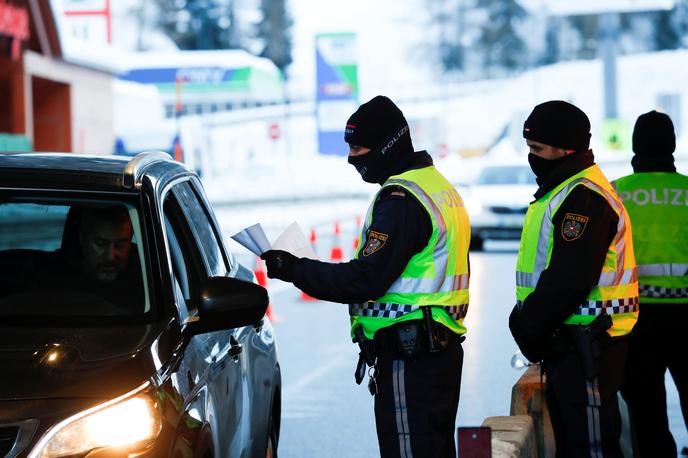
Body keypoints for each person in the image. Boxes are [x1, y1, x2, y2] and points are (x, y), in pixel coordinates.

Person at [261, 95, 470, 457]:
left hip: (411, 357)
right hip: (434, 353)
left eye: (358, 148)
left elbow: (365, 280)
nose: (351, 158)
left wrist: (294, 268)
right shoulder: (435, 186)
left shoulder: (402, 201)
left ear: (388, 145)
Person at [508, 100, 638, 457]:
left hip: (588, 346)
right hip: (571, 344)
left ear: (564, 149)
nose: (531, 157)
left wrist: (525, 324)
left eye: (537, 149)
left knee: (591, 447)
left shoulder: (584, 198)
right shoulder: (563, 191)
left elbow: (569, 280)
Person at [613, 111, 688, 458]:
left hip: (634, 319)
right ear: (672, 145)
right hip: (687, 318)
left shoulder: (615, 195)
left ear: (635, 145)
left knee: (647, 414)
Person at [49, 205, 145, 312]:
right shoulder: (54, 283)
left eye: (120, 245)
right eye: (101, 244)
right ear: (82, 238)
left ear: (131, 238)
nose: (110, 256)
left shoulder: (148, 275)